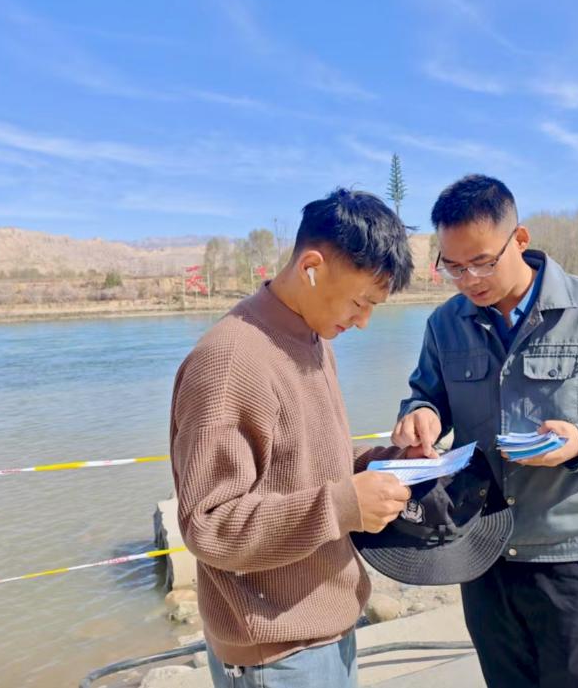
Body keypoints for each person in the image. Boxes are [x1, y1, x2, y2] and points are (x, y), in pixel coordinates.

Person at [393, 175, 578, 688]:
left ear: (519, 240)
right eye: (453, 266)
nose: (469, 279)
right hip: (481, 550)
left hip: (570, 551)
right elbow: (425, 397)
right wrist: (422, 415)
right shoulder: (444, 324)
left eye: (482, 262)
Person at [170, 188, 415, 688]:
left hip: (326, 628)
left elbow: (305, 463)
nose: (364, 322)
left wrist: (387, 462)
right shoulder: (230, 361)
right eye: (360, 302)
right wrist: (344, 505)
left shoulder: (313, 337)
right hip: (276, 654)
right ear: (311, 267)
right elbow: (208, 525)